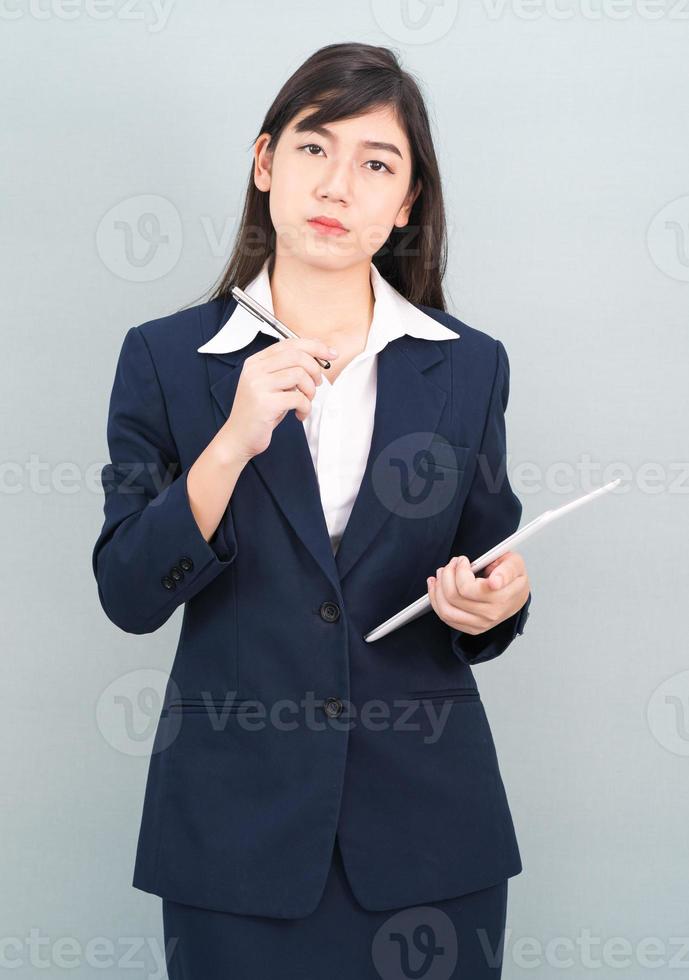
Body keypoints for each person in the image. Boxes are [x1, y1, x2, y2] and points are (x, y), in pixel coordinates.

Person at [92, 41, 532, 980]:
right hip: (234, 838)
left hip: (428, 836)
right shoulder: (169, 359)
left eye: (376, 164)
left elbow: (490, 560)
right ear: (264, 164)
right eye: (313, 148)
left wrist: (497, 602)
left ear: (405, 203)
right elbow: (128, 590)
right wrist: (234, 437)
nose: (339, 184)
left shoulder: (467, 364)